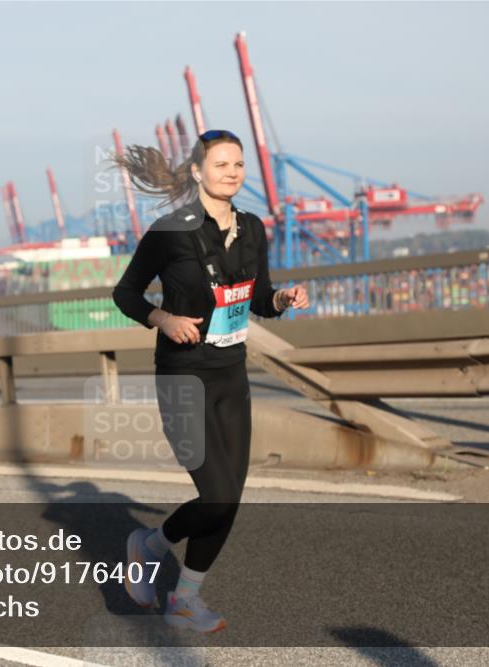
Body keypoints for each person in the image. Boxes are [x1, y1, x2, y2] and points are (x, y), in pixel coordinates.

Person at [110, 130, 309, 633]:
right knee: (216, 495)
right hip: (182, 376)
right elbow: (126, 293)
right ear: (198, 171)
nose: (233, 171)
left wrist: (281, 300)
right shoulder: (169, 232)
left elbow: (257, 296)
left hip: (230, 374)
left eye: (239, 164)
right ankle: (148, 546)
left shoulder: (252, 228)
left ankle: (184, 599)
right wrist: (162, 320)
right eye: (221, 163)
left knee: (228, 500)